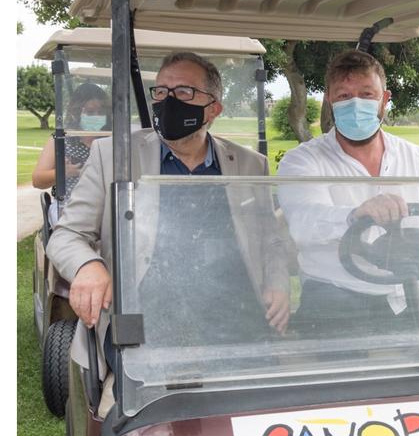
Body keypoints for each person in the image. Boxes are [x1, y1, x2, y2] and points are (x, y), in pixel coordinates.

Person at [47, 52, 291, 415]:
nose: (167, 101)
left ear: (213, 109)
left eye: (183, 91)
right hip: (147, 329)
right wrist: (88, 266)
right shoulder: (113, 155)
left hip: (235, 324)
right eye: (160, 92)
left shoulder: (249, 165)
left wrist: (278, 282)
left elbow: (269, 238)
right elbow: (66, 234)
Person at [277, 49, 419, 334]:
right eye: (344, 96)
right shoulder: (303, 161)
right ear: (330, 101)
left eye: (367, 94)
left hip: (412, 291)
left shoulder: (417, 159)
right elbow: (305, 224)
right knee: (344, 344)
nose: (355, 103)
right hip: (337, 291)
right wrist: (355, 215)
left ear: (385, 99)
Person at [31, 82, 110, 223]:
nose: (97, 116)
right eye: (90, 112)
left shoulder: (111, 140)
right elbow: (37, 180)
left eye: (101, 111)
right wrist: (64, 172)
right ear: (76, 112)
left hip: (104, 208)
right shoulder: (60, 140)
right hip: (68, 207)